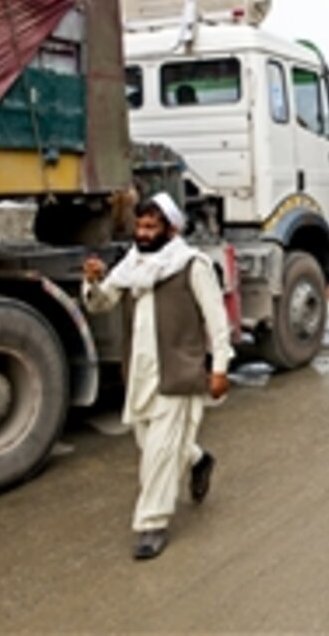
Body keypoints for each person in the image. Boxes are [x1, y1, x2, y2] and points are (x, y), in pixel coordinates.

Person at [82, 193, 232, 560]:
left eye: (152, 227)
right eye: (140, 226)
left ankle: (152, 524)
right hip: (140, 371)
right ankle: (198, 460)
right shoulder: (132, 265)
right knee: (149, 443)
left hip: (178, 369)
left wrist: (220, 368)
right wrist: (92, 283)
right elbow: (103, 303)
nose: (144, 233)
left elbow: (216, 319)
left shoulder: (190, 264)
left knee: (160, 454)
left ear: (171, 228)